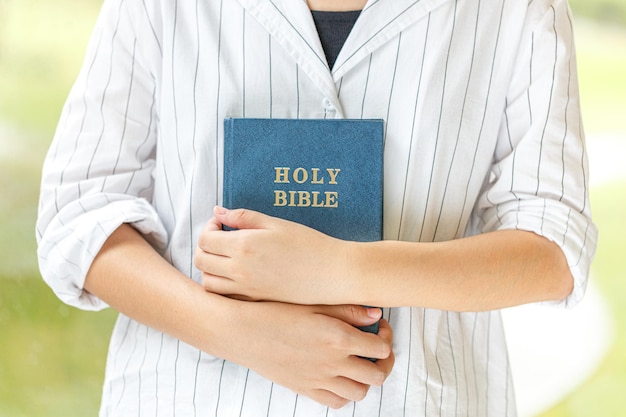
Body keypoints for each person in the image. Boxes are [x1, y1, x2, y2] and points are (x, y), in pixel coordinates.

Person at [36, 0, 597, 415]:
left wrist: (336, 268)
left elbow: (551, 249)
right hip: (182, 396)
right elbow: (81, 212)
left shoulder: (517, 11)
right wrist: (236, 331)